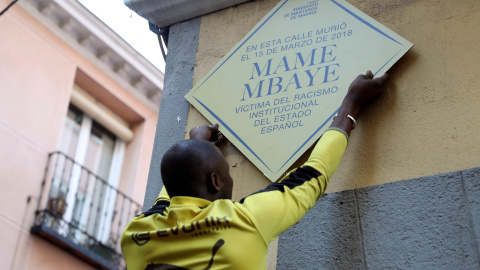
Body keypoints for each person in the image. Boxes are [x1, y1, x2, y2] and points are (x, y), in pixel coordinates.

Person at [121, 71, 390, 270]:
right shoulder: (246, 220)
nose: (230, 177)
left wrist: (196, 145)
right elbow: (313, 174)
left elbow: (168, 196)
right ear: (215, 181)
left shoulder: (135, 235)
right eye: (228, 171)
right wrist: (352, 103)